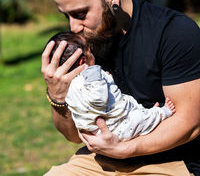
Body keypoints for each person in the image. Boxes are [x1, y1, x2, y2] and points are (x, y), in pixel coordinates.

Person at [41, 0, 200, 176]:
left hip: (170, 162)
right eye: (66, 16)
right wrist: (57, 95)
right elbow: (74, 135)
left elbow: (190, 123)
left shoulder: (174, 32)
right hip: (99, 161)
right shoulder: (85, 45)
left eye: (80, 13)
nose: (73, 27)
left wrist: (125, 149)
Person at [45, 31, 176, 141]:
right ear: (83, 60)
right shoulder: (92, 74)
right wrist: (97, 76)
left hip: (101, 132)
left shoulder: (70, 86)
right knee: (141, 119)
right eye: (90, 50)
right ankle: (162, 112)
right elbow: (99, 98)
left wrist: (105, 79)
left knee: (138, 114)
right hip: (119, 127)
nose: (74, 26)